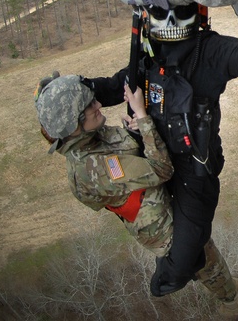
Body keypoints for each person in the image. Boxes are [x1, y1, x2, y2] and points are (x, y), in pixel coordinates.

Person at [80, 0, 238, 317]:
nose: (168, 22)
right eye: (162, 13)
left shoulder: (206, 51)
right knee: (180, 243)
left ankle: (187, 282)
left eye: (176, 12)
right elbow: (112, 87)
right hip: (151, 161)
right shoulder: (148, 58)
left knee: (185, 252)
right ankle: (213, 282)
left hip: (193, 169)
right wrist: (76, 88)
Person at [34, 73, 174, 256]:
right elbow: (162, 169)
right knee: (214, 272)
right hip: (168, 231)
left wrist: (134, 130)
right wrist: (141, 114)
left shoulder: (88, 136)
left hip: (168, 198)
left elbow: (124, 152)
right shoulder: (92, 170)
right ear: (74, 124)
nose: (98, 105)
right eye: (90, 105)